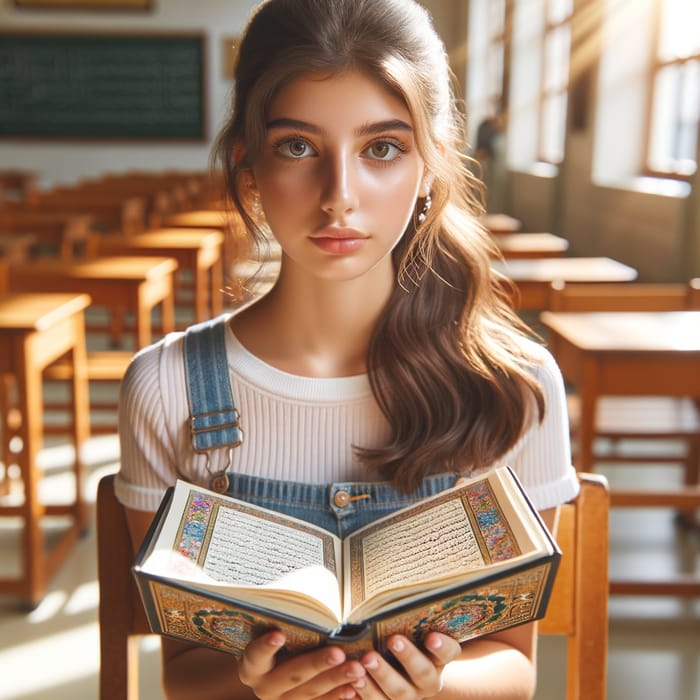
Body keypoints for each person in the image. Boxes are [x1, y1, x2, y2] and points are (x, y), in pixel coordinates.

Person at [116, 0, 578, 698]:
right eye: (298, 146)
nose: (340, 197)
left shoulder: (516, 386)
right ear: (248, 165)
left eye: (381, 149)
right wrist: (252, 685)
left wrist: (435, 685)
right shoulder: (166, 387)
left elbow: (515, 665)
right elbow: (182, 674)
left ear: (430, 167)